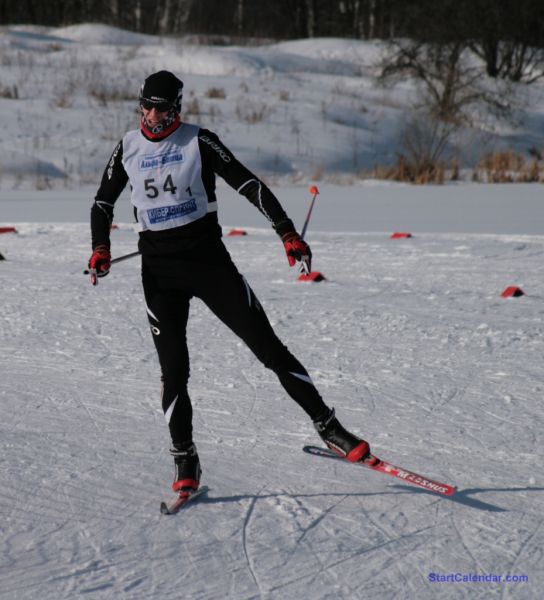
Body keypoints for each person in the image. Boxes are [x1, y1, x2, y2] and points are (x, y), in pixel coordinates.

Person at [88, 70, 370, 494]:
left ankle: (329, 427)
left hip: (209, 265)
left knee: (269, 348)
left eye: (161, 108)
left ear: (177, 107)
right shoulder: (128, 146)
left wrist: (286, 232)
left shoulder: (198, 141)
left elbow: (249, 184)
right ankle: (185, 458)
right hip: (160, 275)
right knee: (174, 371)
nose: (152, 115)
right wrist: (100, 248)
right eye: (145, 106)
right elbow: (101, 202)